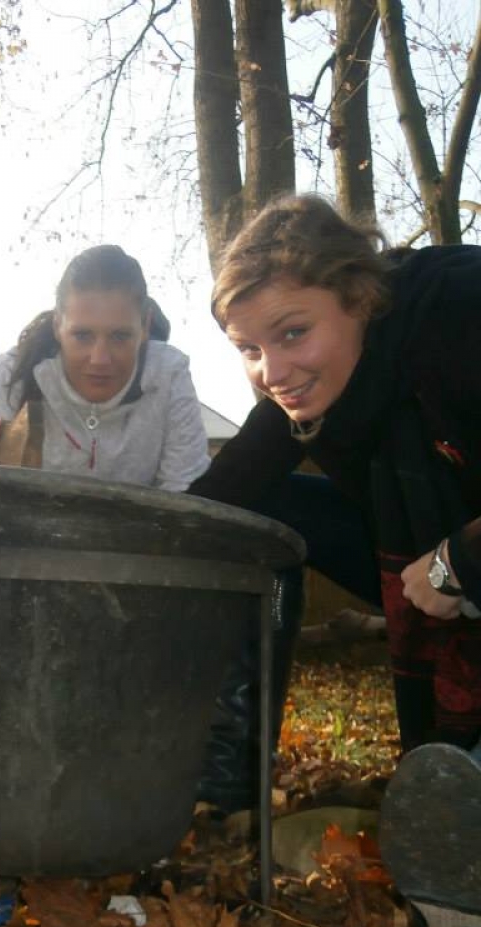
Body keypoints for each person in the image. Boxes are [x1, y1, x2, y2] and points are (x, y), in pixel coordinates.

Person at [190, 193, 481, 754]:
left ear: (361, 298)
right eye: (249, 348)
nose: (272, 373)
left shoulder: (458, 313)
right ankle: (233, 774)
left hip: (457, 560)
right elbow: (214, 501)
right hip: (427, 570)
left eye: (293, 333)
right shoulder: (305, 392)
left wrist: (460, 562)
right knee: (250, 520)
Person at [0, 245, 211, 490]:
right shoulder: (12, 375)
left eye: (119, 336)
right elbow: (2, 503)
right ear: (57, 326)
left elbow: (184, 493)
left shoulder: (169, 374)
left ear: (145, 327)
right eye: (82, 335)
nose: (99, 359)